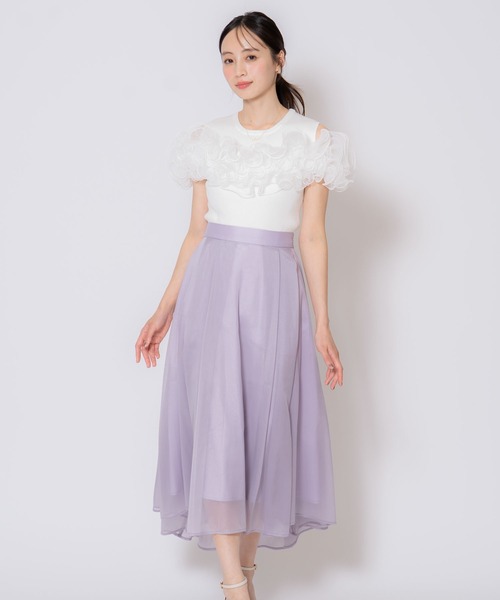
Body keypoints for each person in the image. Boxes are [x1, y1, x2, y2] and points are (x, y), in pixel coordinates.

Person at [135, 11, 355, 600]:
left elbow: (312, 237)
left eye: (251, 56)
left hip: (275, 292)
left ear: (279, 61)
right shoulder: (205, 139)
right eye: (228, 60)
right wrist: (164, 310)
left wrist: (323, 323)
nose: (238, 70)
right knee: (219, 427)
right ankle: (235, 586)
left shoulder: (314, 141)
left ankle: (245, 575)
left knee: (263, 430)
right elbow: (196, 232)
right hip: (211, 289)